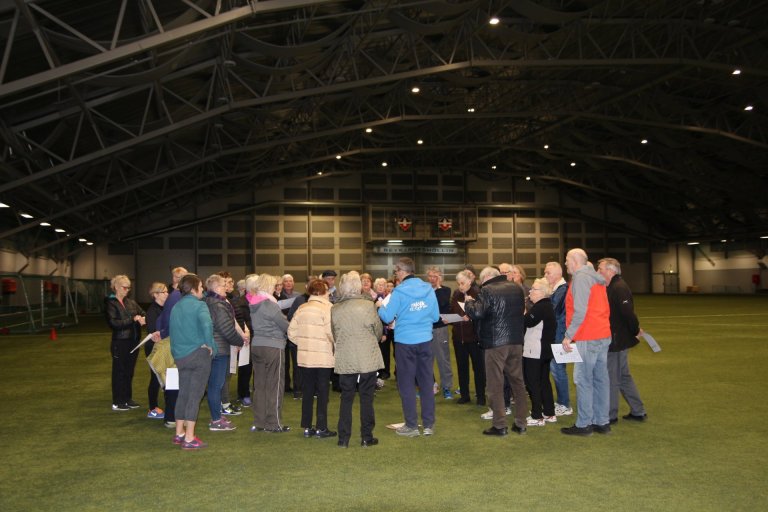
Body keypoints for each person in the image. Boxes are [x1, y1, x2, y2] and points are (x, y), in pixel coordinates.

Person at [377, 257, 439, 437]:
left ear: (401, 271)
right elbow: (435, 317)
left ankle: (411, 426)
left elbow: (387, 317)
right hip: (425, 341)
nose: (396, 275)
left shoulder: (399, 291)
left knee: (406, 384)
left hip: (405, 343)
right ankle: (428, 425)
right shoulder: (428, 289)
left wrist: (380, 306)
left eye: (396, 272)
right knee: (426, 383)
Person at [464, 267, 528, 436]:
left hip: (495, 342)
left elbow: (477, 312)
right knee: (518, 382)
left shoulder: (487, 290)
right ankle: (521, 422)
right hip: (516, 340)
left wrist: (469, 302)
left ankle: (500, 425)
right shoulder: (517, 288)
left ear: (485, 278)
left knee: (495, 384)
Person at [561, 248, 612, 436]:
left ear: (575, 260)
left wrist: (569, 335)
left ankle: (584, 424)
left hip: (587, 335)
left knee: (583, 379)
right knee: (600, 380)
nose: (565, 263)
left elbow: (580, 310)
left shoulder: (581, 278)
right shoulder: (597, 278)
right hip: (602, 334)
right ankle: (602, 422)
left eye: (567, 259)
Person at [332, 271, 384, 447]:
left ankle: (343, 438)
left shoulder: (335, 309)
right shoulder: (367, 306)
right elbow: (378, 331)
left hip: (345, 356)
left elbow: (334, 334)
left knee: (346, 397)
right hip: (366, 356)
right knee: (366, 397)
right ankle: (366, 437)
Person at [597, 258, 647, 424]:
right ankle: (638, 411)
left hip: (617, 341)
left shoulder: (618, 287)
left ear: (611, 270)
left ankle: (610, 415)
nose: (598, 272)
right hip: (618, 339)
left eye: (601, 269)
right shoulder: (613, 286)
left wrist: (635, 330)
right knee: (624, 376)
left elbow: (628, 313)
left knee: (613, 377)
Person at [170, 274, 215, 450]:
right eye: (201, 287)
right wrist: (209, 344)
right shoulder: (200, 305)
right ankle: (189, 438)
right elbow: (207, 325)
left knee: (183, 394)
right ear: (194, 288)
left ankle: (179, 433)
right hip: (198, 355)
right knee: (195, 396)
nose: (203, 290)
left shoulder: (175, 307)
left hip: (180, 356)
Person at [287, 279, 336, 439]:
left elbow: (291, 332)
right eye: (327, 290)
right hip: (323, 356)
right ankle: (322, 427)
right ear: (322, 292)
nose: (329, 293)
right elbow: (331, 332)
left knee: (307, 391)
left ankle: (307, 426)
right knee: (323, 392)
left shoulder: (302, 308)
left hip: (305, 357)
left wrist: (304, 343)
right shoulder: (328, 308)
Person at [203, 274, 248, 432]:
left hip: (214, 347)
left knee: (215, 385)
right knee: (216, 385)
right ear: (216, 288)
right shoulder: (218, 304)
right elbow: (226, 329)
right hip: (220, 349)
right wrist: (240, 341)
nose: (226, 288)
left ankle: (217, 416)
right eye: (223, 285)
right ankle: (216, 420)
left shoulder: (209, 301)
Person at [249, 274, 291, 433]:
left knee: (260, 386)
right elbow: (284, 325)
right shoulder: (270, 305)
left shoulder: (253, 304)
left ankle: (259, 421)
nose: (276, 288)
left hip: (257, 345)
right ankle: (274, 423)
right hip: (273, 346)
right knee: (275, 385)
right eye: (274, 286)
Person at [105, 274, 146, 411]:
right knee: (119, 372)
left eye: (129, 288)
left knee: (129, 371)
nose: (127, 290)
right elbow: (114, 323)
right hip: (120, 342)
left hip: (133, 341)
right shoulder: (110, 303)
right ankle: (117, 401)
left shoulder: (131, 302)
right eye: (124, 287)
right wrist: (133, 319)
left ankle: (127, 399)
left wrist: (142, 317)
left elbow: (143, 313)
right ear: (116, 287)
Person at [522, 278, 557, 427]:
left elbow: (527, 322)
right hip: (544, 351)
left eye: (534, 289)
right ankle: (549, 412)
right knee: (543, 381)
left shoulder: (540, 307)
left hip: (535, 351)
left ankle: (537, 415)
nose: (530, 291)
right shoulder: (547, 306)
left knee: (533, 382)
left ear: (542, 292)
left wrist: (523, 312)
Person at [452, 269, 485, 405]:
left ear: (470, 282)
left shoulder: (478, 293)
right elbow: (451, 309)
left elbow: (482, 314)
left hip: (474, 338)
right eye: (458, 283)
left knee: (478, 368)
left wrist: (470, 314)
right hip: (459, 338)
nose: (460, 286)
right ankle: (464, 395)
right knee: (461, 367)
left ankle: (481, 396)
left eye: (463, 283)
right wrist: (459, 317)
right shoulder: (456, 294)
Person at [544, 261, 573, 416]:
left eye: (548, 273)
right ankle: (562, 401)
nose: (545, 275)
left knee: (557, 369)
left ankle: (564, 404)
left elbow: (552, 310)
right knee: (556, 369)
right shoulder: (557, 289)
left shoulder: (562, 289)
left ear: (557, 274)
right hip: (557, 334)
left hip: (559, 335)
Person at [427, 266, 454, 400]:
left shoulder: (445, 290)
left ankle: (446, 387)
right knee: (426, 360)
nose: (432, 278)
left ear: (440, 277)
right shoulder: (424, 291)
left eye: (435, 276)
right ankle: (430, 386)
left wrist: (437, 286)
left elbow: (441, 303)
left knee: (443, 359)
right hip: (425, 329)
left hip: (440, 329)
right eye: (430, 276)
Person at [144, 282, 169, 421]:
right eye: (163, 292)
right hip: (154, 348)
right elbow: (154, 332)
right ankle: (152, 408)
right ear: (155, 295)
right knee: (155, 378)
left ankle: (168, 404)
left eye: (166, 291)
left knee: (168, 377)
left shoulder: (166, 308)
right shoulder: (152, 311)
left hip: (165, 347)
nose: (167, 294)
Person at [281, 273, 302, 399]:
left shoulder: (298, 296)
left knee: (296, 362)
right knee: (285, 362)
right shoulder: (278, 295)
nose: (288, 283)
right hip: (282, 331)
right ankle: (285, 386)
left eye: (290, 281)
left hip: (295, 332)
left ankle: (298, 387)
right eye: (286, 281)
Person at [373, 277, 393, 379]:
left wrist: (385, 332)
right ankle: (381, 371)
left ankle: (385, 371)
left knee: (387, 352)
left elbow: (386, 315)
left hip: (387, 329)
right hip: (378, 329)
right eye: (379, 285)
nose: (381, 287)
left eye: (383, 285)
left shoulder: (387, 298)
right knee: (380, 351)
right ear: (375, 287)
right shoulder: (375, 297)